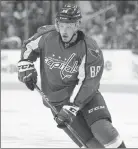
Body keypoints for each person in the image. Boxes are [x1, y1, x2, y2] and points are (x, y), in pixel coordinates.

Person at [17, 4, 126, 148]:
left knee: (103, 130)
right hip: (57, 103)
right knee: (92, 145)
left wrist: (72, 107)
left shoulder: (90, 49)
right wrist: (26, 65)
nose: (64, 31)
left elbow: (89, 83)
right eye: (61, 26)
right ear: (57, 24)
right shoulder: (47, 36)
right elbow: (28, 46)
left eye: (69, 26)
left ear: (77, 25)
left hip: (86, 98)